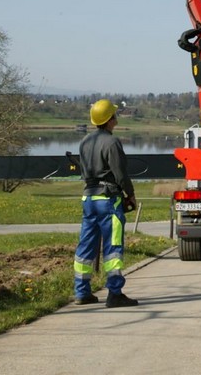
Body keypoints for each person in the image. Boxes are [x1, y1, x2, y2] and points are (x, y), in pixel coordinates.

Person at [72, 99, 139, 308]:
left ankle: (82, 292)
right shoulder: (112, 143)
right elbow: (120, 173)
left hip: (88, 198)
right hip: (108, 200)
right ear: (111, 119)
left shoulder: (84, 142)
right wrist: (130, 194)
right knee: (113, 248)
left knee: (86, 246)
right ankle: (115, 293)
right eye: (115, 115)